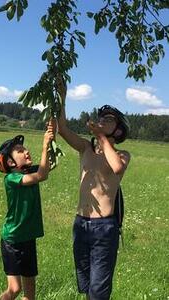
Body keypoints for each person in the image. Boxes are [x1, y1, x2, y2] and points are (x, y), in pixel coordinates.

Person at [57, 88, 131, 299]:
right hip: (80, 224)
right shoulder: (85, 148)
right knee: (86, 284)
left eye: (109, 119)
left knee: (99, 291)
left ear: (118, 130)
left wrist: (99, 135)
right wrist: (62, 98)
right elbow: (62, 129)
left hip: (103, 228)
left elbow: (116, 167)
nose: (102, 120)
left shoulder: (122, 155)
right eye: (101, 118)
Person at [0, 123, 55, 300]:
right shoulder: (12, 178)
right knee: (14, 289)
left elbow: (49, 165)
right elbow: (42, 175)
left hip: (28, 238)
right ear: (10, 162)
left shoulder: (29, 170)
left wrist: (52, 135)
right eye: (20, 151)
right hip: (13, 239)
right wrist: (44, 144)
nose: (26, 151)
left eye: (25, 148)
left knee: (30, 294)